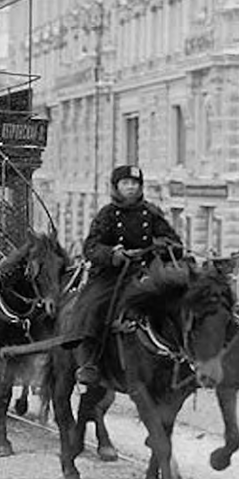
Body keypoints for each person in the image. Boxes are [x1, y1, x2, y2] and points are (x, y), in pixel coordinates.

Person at [66, 165, 183, 386]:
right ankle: (89, 361)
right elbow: (91, 247)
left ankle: (185, 353)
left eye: (135, 184)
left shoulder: (152, 213)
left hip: (146, 271)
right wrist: (114, 254)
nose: (131, 187)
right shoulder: (108, 214)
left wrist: (163, 245)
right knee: (93, 305)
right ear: (116, 187)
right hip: (112, 274)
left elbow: (176, 244)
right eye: (126, 183)